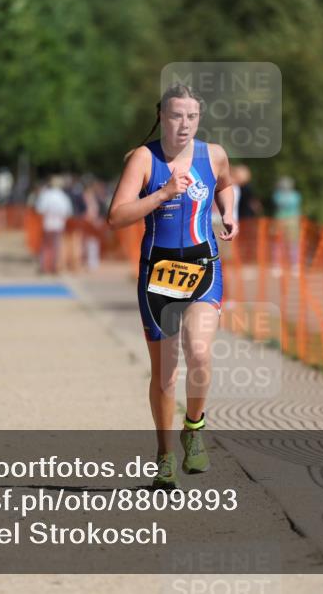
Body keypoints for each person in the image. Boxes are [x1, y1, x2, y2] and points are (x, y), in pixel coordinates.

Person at [107, 83, 237, 490]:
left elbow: (225, 184)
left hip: (202, 266)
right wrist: (163, 193)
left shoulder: (213, 155)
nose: (184, 124)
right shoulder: (143, 160)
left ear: (199, 119)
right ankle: (164, 456)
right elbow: (117, 216)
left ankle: (194, 429)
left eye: (192, 117)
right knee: (165, 373)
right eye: (176, 115)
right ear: (162, 115)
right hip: (158, 272)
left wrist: (230, 211)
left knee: (199, 352)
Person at [35, 175, 73, 274]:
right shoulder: (63, 196)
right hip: (58, 225)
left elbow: (40, 209)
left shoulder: (46, 195)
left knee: (46, 246)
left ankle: (44, 267)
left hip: (48, 224)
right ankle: (54, 267)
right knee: (56, 247)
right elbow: (68, 212)